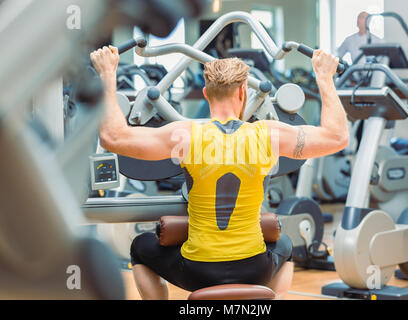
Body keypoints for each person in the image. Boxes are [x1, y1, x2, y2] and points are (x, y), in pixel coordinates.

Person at [90, 46, 349, 300]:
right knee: (285, 246)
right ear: (242, 94)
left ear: (205, 93)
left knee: (140, 247)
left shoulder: (185, 135)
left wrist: (107, 75)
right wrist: (325, 77)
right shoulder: (269, 134)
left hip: (197, 271)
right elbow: (337, 137)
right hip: (255, 267)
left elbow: (113, 137)